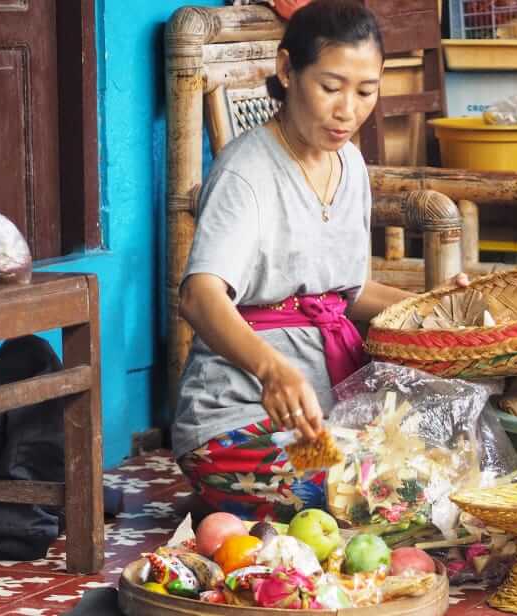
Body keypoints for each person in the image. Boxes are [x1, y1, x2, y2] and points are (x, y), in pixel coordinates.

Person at [172, 0, 464, 522]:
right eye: (330, 87)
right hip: (241, 418)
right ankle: (237, 488)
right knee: (380, 493)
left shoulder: (349, 162)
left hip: (328, 416)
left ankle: (266, 500)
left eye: (365, 91)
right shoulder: (247, 172)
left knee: (444, 462)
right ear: (287, 71)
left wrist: (441, 309)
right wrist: (271, 371)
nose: (347, 110)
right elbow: (199, 294)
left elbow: (348, 293)